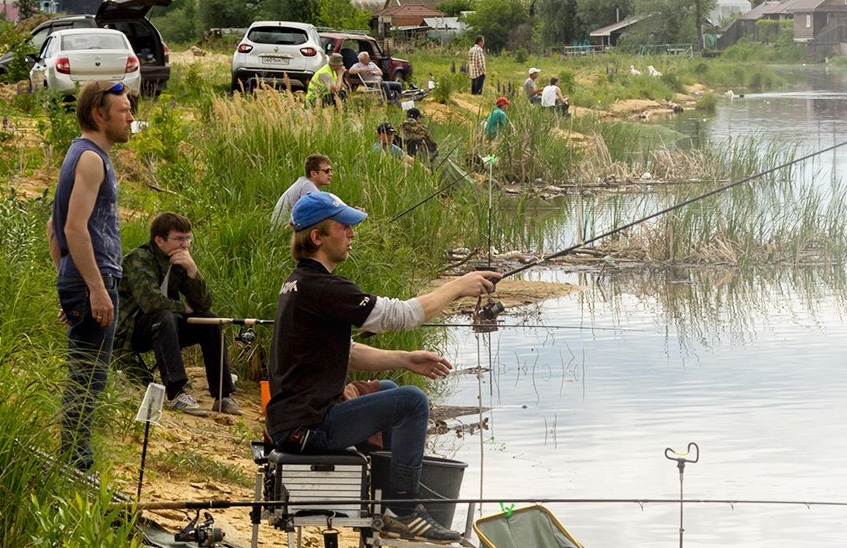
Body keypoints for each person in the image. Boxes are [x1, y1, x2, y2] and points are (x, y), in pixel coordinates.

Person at [266, 191, 501, 543]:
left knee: (391, 391)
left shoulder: (299, 282)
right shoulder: (323, 287)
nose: (352, 233)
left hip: (295, 419)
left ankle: (387, 498)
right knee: (412, 402)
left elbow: (345, 351)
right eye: (343, 226)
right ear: (317, 237)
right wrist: (456, 287)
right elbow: (400, 315)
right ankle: (403, 510)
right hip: (306, 429)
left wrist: (404, 359)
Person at [47, 80, 134, 471]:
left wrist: (67, 280)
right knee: (89, 377)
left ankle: (73, 455)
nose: (131, 117)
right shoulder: (90, 158)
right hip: (93, 280)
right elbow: (72, 229)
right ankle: (76, 460)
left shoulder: (80, 154)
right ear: (100, 115)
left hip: (81, 279)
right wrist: (94, 288)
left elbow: (54, 226)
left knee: (85, 372)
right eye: (124, 111)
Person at [114, 212, 243, 416]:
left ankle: (223, 394)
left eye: (188, 238)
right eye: (179, 239)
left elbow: (203, 304)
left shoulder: (179, 261)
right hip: (132, 331)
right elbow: (152, 303)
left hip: (166, 328)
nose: (185, 245)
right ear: (159, 239)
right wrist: (184, 308)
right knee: (163, 316)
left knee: (210, 320)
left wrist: (193, 271)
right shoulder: (139, 259)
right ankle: (177, 393)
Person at [271, 154, 333, 228]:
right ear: (314, 174)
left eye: (331, 170)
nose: (330, 174)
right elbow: (322, 213)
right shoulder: (307, 186)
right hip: (283, 230)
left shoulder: (304, 183)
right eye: (326, 171)